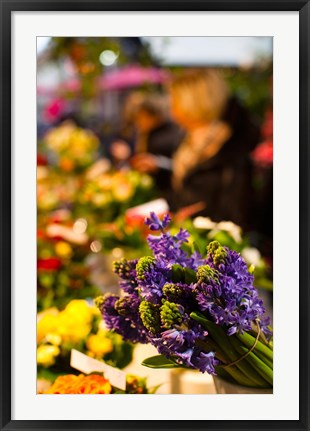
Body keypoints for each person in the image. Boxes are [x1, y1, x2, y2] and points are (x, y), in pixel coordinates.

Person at [168, 69, 260, 232]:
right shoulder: (191, 140)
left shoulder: (232, 147)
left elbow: (235, 214)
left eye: (174, 101)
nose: (172, 109)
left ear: (191, 103)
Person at [129, 94, 184, 199]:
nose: (138, 122)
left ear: (154, 116)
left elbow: (181, 165)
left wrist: (157, 163)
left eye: (141, 117)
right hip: (157, 192)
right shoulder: (149, 133)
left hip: (170, 192)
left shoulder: (171, 135)